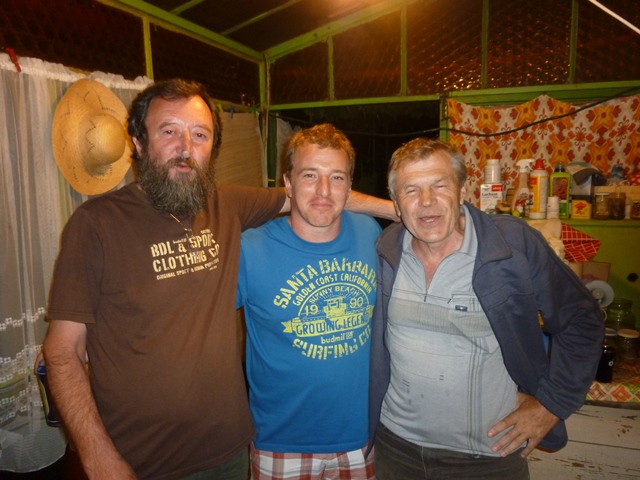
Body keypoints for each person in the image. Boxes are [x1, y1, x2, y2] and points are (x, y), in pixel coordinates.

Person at [42, 79, 394, 480]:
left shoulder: (226, 205)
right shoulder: (96, 224)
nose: (185, 147)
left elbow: (320, 196)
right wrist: (97, 457)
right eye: (169, 131)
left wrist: (402, 210)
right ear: (138, 142)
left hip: (228, 451)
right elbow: (62, 351)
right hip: (139, 459)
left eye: (199, 135)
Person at [368, 138, 604, 479]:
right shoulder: (385, 249)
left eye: (440, 185)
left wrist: (551, 405)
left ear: (463, 190)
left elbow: (582, 319)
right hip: (395, 449)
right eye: (411, 190)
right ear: (395, 201)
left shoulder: (510, 245)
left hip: (487, 456)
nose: (427, 201)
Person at [237, 124, 380, 480]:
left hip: (359, 438)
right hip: (280, 442)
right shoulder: (250, 249)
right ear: (287, 183)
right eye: (310, 175)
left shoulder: (369, 234)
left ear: (350, 185)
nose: (323, 190)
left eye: (337, 177)